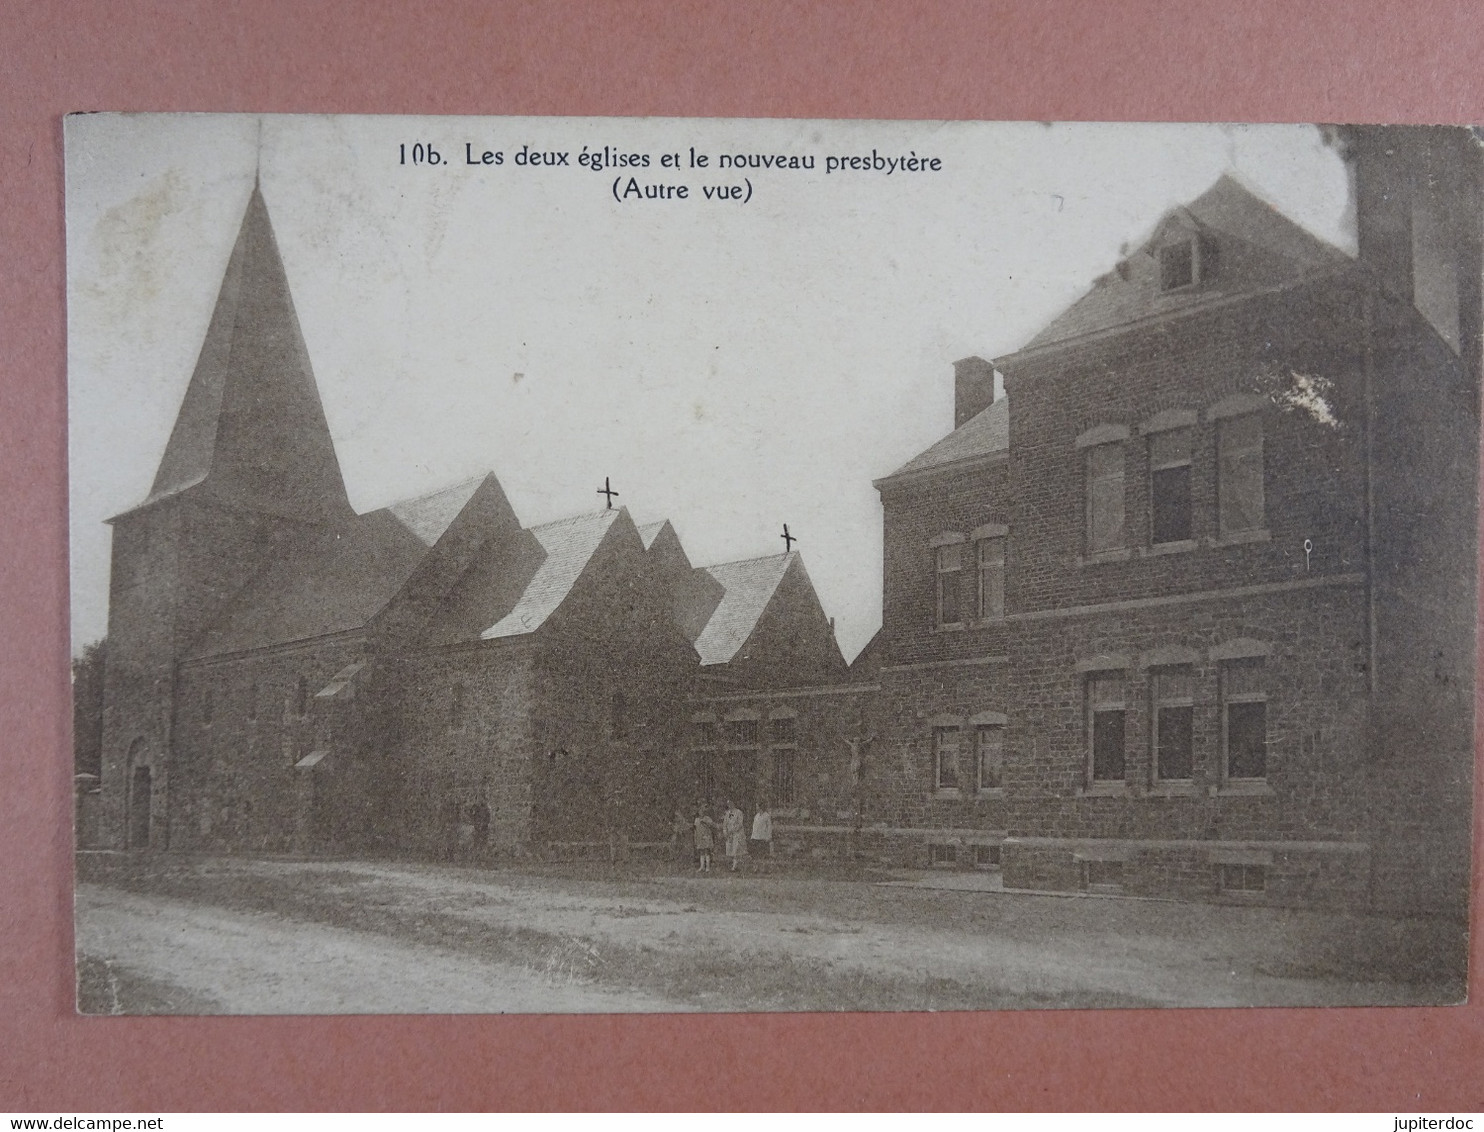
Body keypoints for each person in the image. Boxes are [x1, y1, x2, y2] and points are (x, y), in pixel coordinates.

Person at [722, 799, 746, 872]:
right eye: (728, 804)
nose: (729, 805)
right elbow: (724, 824)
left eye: (731, 803)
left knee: (736, 850)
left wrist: (732, 830)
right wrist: (725, 832)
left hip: (737, 834)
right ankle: (734, 865)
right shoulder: (727, 813)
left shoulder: (739, 812)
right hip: (729, 835)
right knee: (730, 850)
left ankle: (734, 867)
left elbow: (740, 824)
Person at [693, 806, 716, 873]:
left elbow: (712, 825)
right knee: (701, 852)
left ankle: (707, 867)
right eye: (700, 811)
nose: (701, 813)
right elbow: (696, 829)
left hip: (706, 836)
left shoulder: (707, 818)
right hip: (699, 837)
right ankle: (702, 867)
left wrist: (705, 822)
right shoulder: (696, 819)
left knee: (707, 852)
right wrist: (695, 837)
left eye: (702, 811)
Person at [750, 801, 773, 867]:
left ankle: (763, 867)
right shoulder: (756, 816)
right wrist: (752, 836)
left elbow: (769, 827)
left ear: (760, 807)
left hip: (763, 837)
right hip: (755, 837)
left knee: (763, 854)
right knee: (755, 854)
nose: (756, 808)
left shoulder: (766, 816)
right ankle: (756, 867)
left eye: (757, 806)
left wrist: (769, 836)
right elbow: (754, 827)